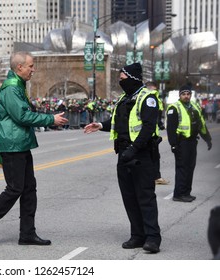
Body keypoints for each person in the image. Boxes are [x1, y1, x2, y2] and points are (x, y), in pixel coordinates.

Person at [0, 51, 68, 246]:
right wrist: (51, 119)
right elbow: (22, 116)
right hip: (12, 145)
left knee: (29, 189)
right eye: (31, 66)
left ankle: (27, 233)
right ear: (19, 67)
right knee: (15, 188)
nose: (33, 69)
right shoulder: (11, 88)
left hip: (20, 143)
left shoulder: (18, 85)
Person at [84, 63, 161, 253]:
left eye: (123, 78)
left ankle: (152, 237)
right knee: (129, 197)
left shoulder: (147, 98)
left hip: (142, 154)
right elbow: (118, 121)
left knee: (145, 197)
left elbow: (149, 127)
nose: (120, 81)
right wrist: (100, 125)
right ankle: (137, 235)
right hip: (124, 154)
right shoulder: (124, 99)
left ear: (133, 78)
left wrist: (134, 148)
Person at [166, 84, 212, 202]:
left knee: (190, 167)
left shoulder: (195, 106)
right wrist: (173, 144)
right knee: (182, 168)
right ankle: (178, 194)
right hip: (181, 142)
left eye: (188, 94)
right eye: (183, 94)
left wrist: (207, 139)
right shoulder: (174, 107)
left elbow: (201, 124)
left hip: (192, 142)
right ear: (180, 95)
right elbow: (171, 129)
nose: (186, 96)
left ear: (190, 95)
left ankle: (186, 192)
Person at [145, 81, 169, 185]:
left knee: (155, 156)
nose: (155, 92)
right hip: (147, 133)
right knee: (150, 157)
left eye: (156, 90)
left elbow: (156, 116)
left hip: (153, 132)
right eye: (153, 90)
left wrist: (160, 124)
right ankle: (154, 177)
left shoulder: (157, 100)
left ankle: (155, 176)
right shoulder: (147, 99)